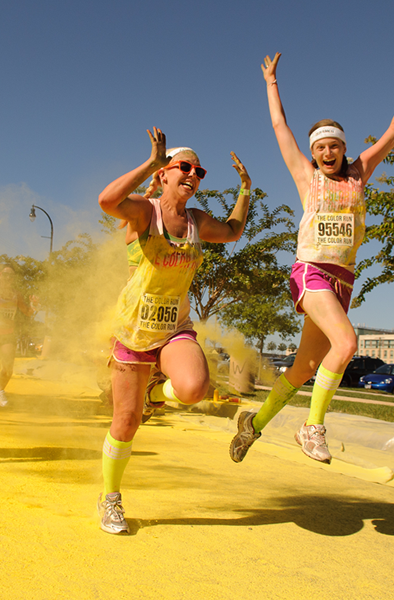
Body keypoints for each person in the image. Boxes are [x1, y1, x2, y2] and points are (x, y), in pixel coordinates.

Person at [230, 52, 394, 464]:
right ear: (314, 152)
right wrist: (271, 82)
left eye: (334, 146)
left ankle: (255, 424)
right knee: (347, 341)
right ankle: (313, 428)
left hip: (343, 280)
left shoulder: (360, 172)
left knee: (305, 366)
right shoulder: (307, 177)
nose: (326, 152)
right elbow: (279, 127)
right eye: (320, 147)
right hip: (311, 271)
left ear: (344, 148)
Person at [96, 128, 251, 534]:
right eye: (184, 167)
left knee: (195, 388)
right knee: (126, 423)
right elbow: (107, 201)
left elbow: (234, 231)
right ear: (164, 174)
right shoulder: (145, 213)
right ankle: (110, 497)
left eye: (199, 171)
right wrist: (148, 161)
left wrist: (246, 190)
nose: (193, 175)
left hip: (174, 328)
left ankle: (154, 392)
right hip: (133, 330)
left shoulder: (198, 221)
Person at [0, 267, 36, 408]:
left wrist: (35, 305)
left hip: (7, 333)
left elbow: (27, 312)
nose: (8, 278)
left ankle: (0, 390)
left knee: (8, 366)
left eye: (11, 275)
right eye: (5, 274)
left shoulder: (16, 294)